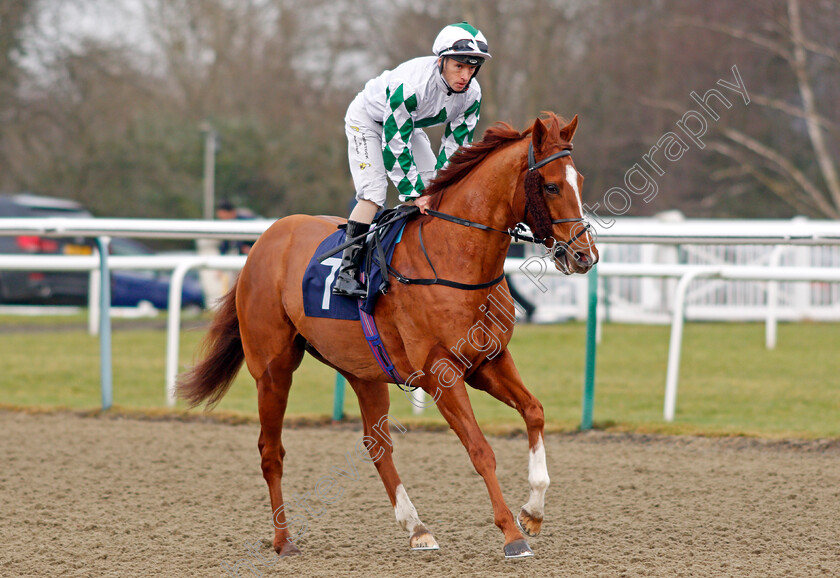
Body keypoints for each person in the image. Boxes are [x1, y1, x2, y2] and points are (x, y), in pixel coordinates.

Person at [332, 21, 491, 297]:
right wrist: (414, 193)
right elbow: (395, 143)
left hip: (408, 124)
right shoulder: (412, 84)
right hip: (368, 120)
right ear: (441, 61)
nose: (466, 75)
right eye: (459, 66)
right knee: (373, 193)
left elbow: (456, 148)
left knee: (434, 189)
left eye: (472, 67)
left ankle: (412, 264)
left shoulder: (472, 95)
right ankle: (346, 273)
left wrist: (438, 190)